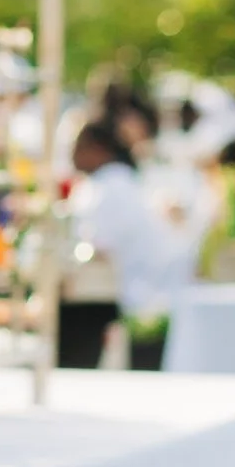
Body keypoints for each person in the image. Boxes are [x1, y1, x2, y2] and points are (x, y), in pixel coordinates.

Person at [64, 119, 195, 370]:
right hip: (151, 298)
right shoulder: (122, 181)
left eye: (78, 147)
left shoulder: (106, 187)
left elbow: (95, 247)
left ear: (98, 149)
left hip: (137, 303)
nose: (72, 155)